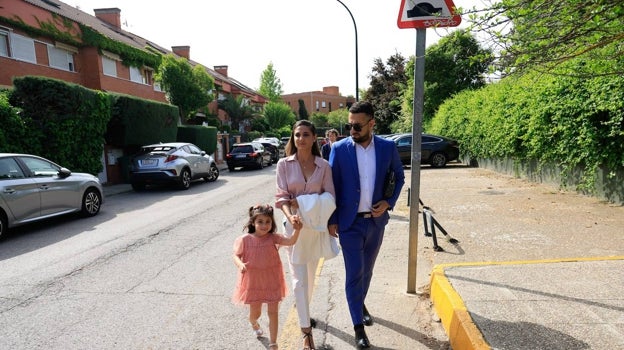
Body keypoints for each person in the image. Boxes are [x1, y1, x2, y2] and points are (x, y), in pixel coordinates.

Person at [328, 101, 405, 349]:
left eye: (358, 125)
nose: (352, 130)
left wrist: (388, 202)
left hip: (376, 223)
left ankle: (360, 303)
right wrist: (332, 219)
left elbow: (399, 176)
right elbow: (331, 186)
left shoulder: (387, 147)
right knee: (354, 274)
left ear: (371, 123)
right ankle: (358, 327)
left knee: (367, 272)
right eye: (349, 125)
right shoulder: (339, 149)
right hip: (349, 224)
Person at [275, 120, 338, 350]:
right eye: (297, 135)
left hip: (316, 229)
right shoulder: (283, 164)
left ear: (314, 138)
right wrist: (291, 215)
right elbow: (281, 197)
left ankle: (304, 310)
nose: (300, 139)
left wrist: (302, 203)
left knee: (310, 279)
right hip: (294, 229)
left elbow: (330, 196)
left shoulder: (323, 166)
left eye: (305, 135)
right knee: (299, 280)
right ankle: (306, 331)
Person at [232, 204, 303, 350]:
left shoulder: (273, 238)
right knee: (255, 313)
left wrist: (297, 230)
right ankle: (254, 323)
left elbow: (291, 241)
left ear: (272, 223)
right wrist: (240, 264)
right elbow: (236, 255)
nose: (264, 225)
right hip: (254, 282)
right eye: (260, 222)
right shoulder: (244, 240)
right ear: (253, 222)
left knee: (273, 312)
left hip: (272, 279)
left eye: (268, 222)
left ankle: (273, 343)